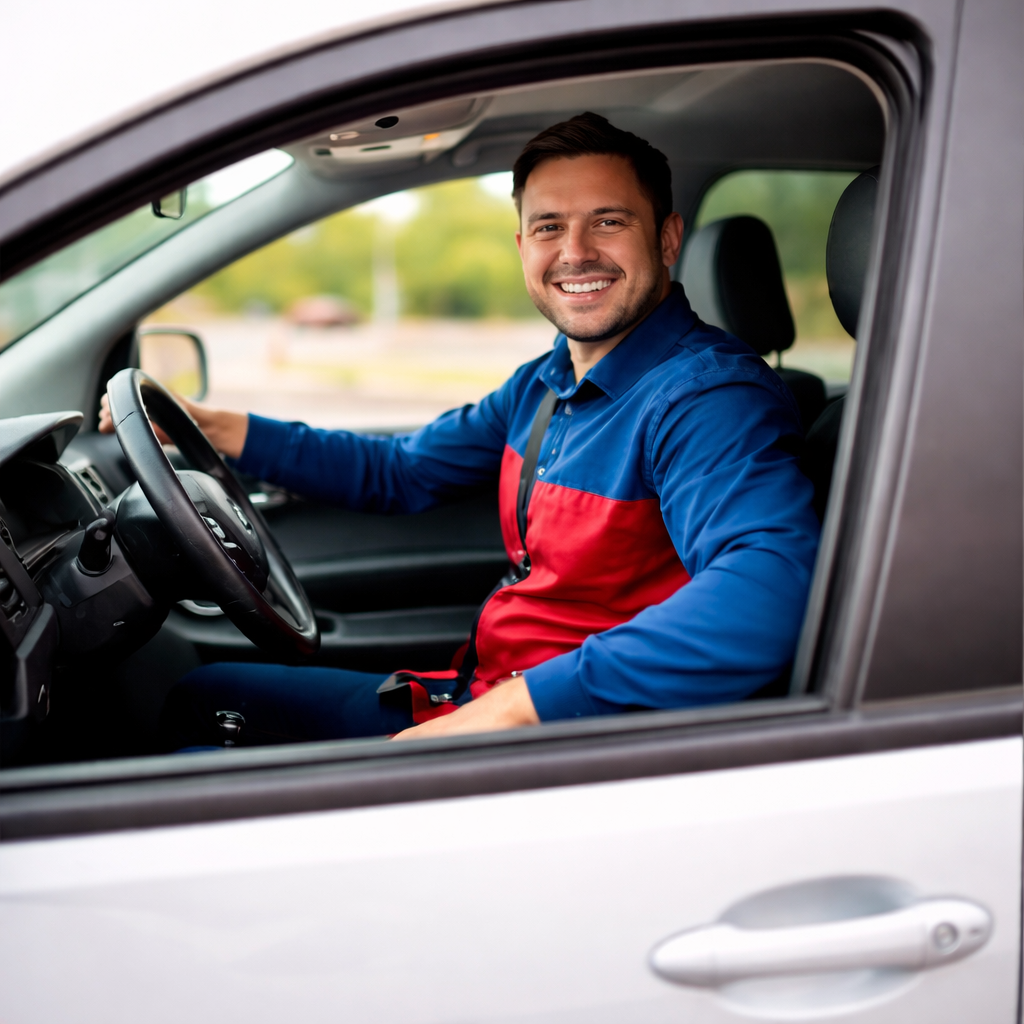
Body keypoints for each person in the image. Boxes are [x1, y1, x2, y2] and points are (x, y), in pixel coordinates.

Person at [101, 112, 820, 747]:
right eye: (549, 227)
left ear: (666, 239)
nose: (575, 251)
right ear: (522, 245)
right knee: (200, 696)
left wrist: (512, 711)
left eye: (609, 221)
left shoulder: (707, 399)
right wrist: (213, 427)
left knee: (194, 771)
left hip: (568, 739)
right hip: (483, 696)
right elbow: (400, 471)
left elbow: (768, 590)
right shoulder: (546, 381)